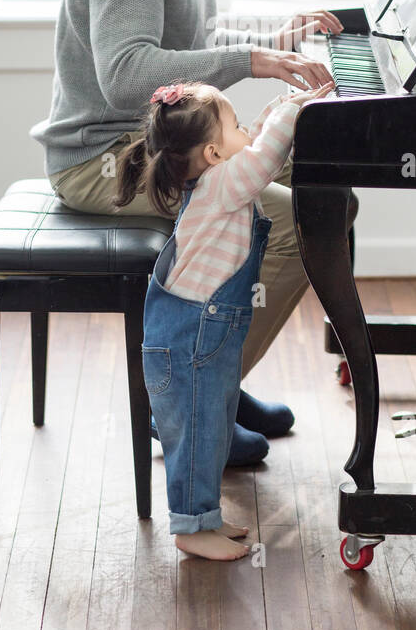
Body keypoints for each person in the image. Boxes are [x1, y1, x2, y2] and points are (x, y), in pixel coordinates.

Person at [30, 0, 358, 466]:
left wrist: (274, 43)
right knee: (293, 218)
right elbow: (125, 78)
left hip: (151, 136)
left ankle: (218, 378)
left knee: (325, 173)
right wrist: (250, 65)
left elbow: (188, 41)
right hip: (103, 156)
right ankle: (190, 399)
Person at [124, 77, 334, 560]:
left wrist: (282, 105)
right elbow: (265, 158)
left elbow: (252, 144)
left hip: (201, 331)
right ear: (214, 154)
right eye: (235, 125)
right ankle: (191, 528)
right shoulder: (224, 184)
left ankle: (207, 519)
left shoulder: (218, 175)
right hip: (191, 336)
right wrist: (292, 114)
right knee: (197, 437)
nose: (246, 132)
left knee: (213, 430)